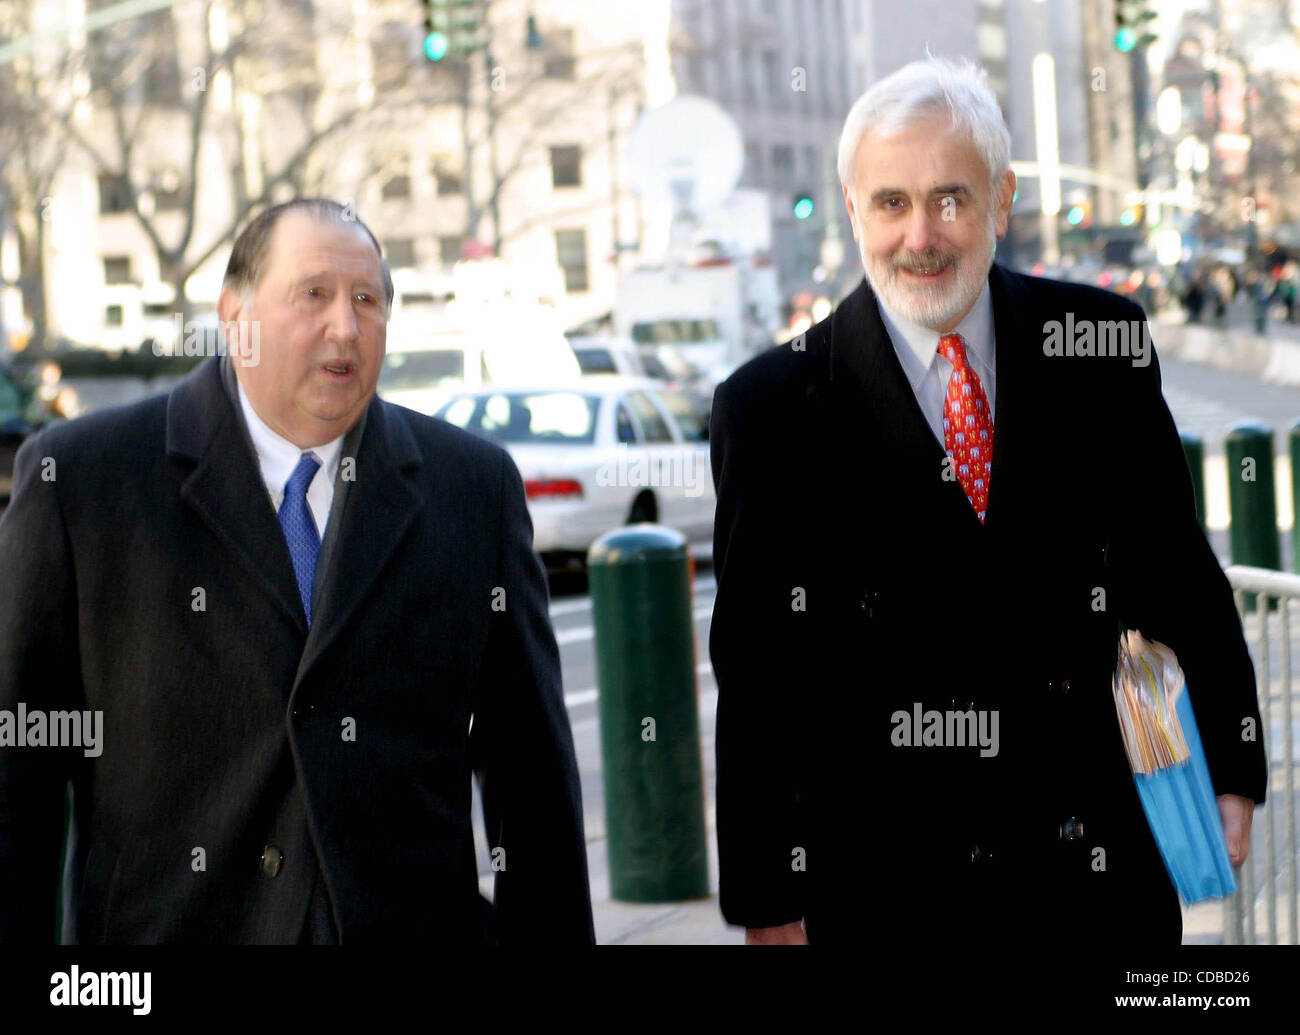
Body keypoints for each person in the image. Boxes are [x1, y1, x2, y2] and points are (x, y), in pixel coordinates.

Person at [708, 57, 1267, 948]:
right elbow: (759, 674)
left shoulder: (1101, 345)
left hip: (1094, 879)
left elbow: (1178, 570)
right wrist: (770, 898)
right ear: (854, 211)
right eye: (891, 202)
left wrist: (1232, 765)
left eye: (951, 199)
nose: (921, 235)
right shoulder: (770, 407)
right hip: (891, 889)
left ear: (1002, 202)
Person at [0, 198, 594, 945]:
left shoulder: (471, 488)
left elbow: (530, 770)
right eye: (313, 294)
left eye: (368, 299)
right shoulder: (82, 481)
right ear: (235, 315)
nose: (345, 326)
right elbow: (17, 771)